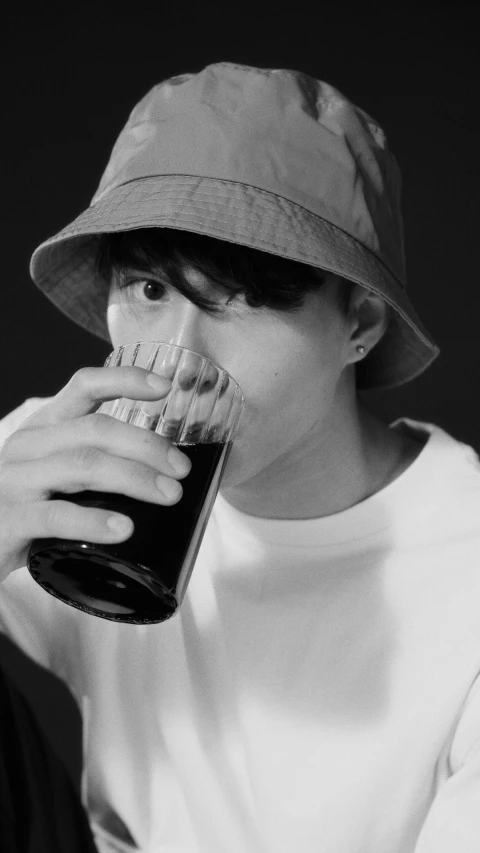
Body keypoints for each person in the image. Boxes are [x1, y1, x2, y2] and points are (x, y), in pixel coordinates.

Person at [0, 60, 479, 852]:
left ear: (358, 320)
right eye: (150, 290)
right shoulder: (65, 458)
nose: (181, 356)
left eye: (242, 299)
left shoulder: (458, 564)